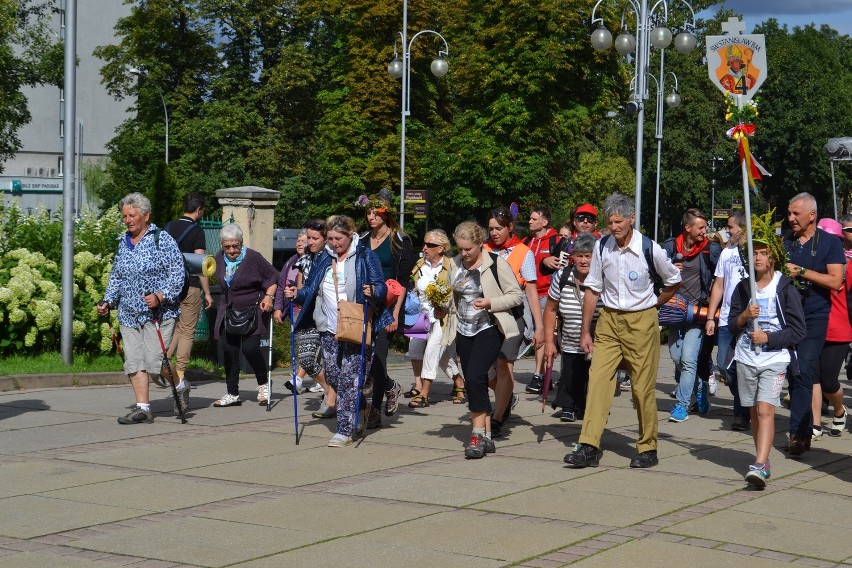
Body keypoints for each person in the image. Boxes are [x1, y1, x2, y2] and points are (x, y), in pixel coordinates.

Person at [564, 193, 681, 468]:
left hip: (641, 322)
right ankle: (589, 445)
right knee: (598, 382)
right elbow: (593, 288)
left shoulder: (650, 249)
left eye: (619, 222)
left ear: (631, 219)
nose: (614, 227)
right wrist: (585, 332)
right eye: (610, 222)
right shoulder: (602, 247)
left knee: (641, 388)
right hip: (608, 321)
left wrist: (655, 303)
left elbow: (673, 280)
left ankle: (647, 447)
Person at [286, 215, 391, 446]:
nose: (334, 243)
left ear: (350, 234)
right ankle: (360, 407)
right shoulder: (323, 258)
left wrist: (374, 290)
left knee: (348, 380)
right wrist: (296, 294)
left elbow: (382, 288)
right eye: (331, 238)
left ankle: (344, 430)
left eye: (338, 238)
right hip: (328, 327)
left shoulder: (365, 256)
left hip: (356, 326)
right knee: (334, 376)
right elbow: (311, 288)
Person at [98, 192, 188, 424]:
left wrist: (160, 296)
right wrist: (108, 301)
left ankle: (179, 385)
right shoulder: (123, 243)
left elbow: (177, 275)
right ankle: (143, 409)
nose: (127, 220)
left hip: (158, 314)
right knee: (134, 361)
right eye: (124, 216)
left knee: (155, 362)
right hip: (128, 313)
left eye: (132, 215)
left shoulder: (162, 239)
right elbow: (117, 277)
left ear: (146, 216)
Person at [440, 221, 523, 458]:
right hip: (464, 329)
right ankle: (486, 436)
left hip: (489, 326)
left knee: (476, 375)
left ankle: (476, 434)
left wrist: (490, 302)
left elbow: (516, 296)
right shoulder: (455, 265)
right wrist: (441, 308)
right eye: (460, 249)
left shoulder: (495, 264)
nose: (464, 254)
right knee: (474, 380)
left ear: (479, 244)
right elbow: (448, 295)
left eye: (468, 249)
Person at [728, 238, 805, 488]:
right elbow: (731, 325)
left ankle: (760, 463)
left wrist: (768, 338)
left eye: (763, 253)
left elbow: (798, 331)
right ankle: (762, 460)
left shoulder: (785, 288)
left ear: (773, 257)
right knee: (753, 412)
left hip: (776, 358)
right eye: (754, 254)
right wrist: (743, 316)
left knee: (765, 410)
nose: (758, 258)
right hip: (747, 357)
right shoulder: (743, 287)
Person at [782, 193, 845, 455]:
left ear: (812, 215)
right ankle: (804, 426)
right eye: (789, 213)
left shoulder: (829, 243)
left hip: (815, 315)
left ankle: (798, 432)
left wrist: (802, 271)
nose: (791, 218)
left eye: (796, 213)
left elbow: (835, 281)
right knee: (792, 372)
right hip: (787, 316)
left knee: (804, 369)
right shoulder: (786, 242)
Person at [484, 206, 544, 436]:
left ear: (510, 227)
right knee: (484, 372)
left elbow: (531, 292)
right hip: (487, 316)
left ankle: (497, 418)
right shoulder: (483, 250)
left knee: (503, 364)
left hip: (514, 316)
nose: (494, 233)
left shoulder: (523, 252)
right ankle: (506, 398)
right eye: (491, 229)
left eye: (499, 228)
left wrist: (539, 328)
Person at [360, 193, 415, 429]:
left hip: (389, 306)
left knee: (379, 357)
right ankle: (391, 386)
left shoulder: (400, 240)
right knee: (366, 358)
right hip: (365, 306)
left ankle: (375, 411)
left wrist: (394, 313)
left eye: (375, 212)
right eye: (368, 213)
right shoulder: (362, 240)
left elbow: (403, 281)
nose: (371, 217)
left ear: (386, 213)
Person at [662, 208, 721, 422]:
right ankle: (700, 386)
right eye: (701, 227)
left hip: (697, 312)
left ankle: (682, 405)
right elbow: (653, 273)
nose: (705, 231)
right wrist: (668, 269)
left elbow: (722, 277)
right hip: (673, 311)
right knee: (677, 357)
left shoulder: (710, 250)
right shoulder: (669, 247)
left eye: (705, 227)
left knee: (688, 360)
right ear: (688, 228)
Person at [211, 224, 279, 408]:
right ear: (222, 245)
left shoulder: (253, 257)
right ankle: (232, 393)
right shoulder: (218, 258)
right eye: (227, 246)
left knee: (250, 349)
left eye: (236, 245)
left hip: (253, 310)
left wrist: (269, 297)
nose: (232, 250)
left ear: (241, 243)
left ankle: (264, 384)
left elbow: (273, 276)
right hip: (228, 310)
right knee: (229, 351)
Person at [276, 220, 334, 417]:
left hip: (329, 315)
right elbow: (306, 288)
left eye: (314, 238)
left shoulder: (330, 258)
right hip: (310, 315)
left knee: (333, 364)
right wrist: (296, 294)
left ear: (325, 239)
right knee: (307, 359)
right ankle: (330, 392)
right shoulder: (308, 258)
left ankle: (334, 399)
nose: (310, 242)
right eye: (308, 238)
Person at [542, 232, 602, 421]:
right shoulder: (563, 275)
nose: (583, 261)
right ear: (573, 256)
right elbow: (551, 309)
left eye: (588, 256)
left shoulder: (605, 278)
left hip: (598, 340)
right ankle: (568, 406)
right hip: (569, 338)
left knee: (594, 378)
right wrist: (550, 342)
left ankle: (591, 408)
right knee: (570, 373)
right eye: (580, 255)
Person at [405, 229, 464, 408]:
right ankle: (459, 384)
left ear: (442, 248)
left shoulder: (452, 266)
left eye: (430, 245)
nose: (425, 248)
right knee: (422, 351)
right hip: (421, 317)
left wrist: (445, 305)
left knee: (432, 351)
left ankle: (424, 393)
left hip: (443, 318)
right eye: (425, 244)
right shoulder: (419, 265)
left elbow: (460, 290)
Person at [705, 210, 751, 431]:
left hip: (749, 318)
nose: (727, 231)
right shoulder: (727, 253)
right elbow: (719, 285)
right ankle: (746, 401)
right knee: (724, 366)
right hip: (726, 319)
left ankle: (742, 414)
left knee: (742, 367)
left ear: (742, 227)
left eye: (731, 227)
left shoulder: (755, 251)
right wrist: (712, 316)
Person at [163, 193, 213, 396]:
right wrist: (207, 293)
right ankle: (180, 373)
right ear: (199, 209)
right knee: (186, 330)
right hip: (190, 285)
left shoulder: (167, 228)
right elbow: (200, 264)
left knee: (173, 327)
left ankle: (163, 365)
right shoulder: (196, 231)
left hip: (168, 287)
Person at [811, 218, 850, 439]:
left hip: (839, 327)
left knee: (828, 380)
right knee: (811, 376)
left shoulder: (847, 265)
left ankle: (839, 410)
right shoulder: (810, 261)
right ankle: (815, 424)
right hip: (814, 325)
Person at [276, 229, 321, 394]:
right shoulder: (292, 262)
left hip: (316, 311)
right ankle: (316, 381)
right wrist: (278, 308)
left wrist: (301, 295)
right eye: (300, 240)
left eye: (306, 240)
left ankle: (299, 378)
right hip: (296, 309)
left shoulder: (319, 261)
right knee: (304, 349)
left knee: (312, 350)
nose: (302, 243)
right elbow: (282, 286)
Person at [522, 206, 561, 394]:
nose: (529, 221)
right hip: (527, 293)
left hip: (547, 293)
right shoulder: (526, 241)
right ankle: (544, 375)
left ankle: (539, 375)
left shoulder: (557, 240)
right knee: (531, 333)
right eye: (530, 219)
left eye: (533, 218)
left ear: (544, 222)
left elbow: (565, 264)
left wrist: (548, 261)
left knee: (543, 334)